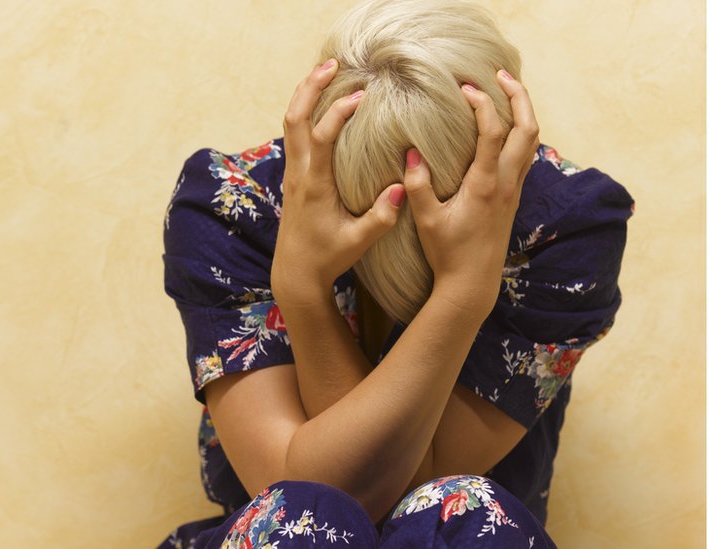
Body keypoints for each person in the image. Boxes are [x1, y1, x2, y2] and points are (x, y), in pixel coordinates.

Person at [160, 1, 633, 547]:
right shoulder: (233, 206)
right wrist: (305, 290)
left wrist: (461, 292)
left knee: (469, 516)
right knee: (297, 524)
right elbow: (303, 507)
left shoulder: (563, 227)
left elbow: (412, 499)